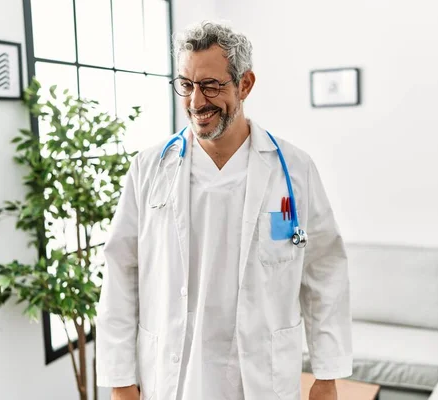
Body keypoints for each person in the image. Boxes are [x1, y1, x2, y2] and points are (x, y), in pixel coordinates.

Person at [96, 20, 352, 400]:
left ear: (245, 84)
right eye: (186, 85)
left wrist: (327, 375)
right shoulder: (149, 169)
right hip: (175, 376)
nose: (197, 102)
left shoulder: (294, 170)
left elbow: (324, 271)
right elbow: (120, 273)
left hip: (260, 377)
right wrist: (120, 381)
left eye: (212, 86)